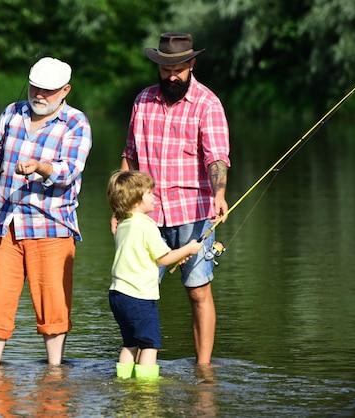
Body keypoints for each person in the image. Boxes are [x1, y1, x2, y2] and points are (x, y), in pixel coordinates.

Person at [117, 32, 231, 365]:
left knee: (198, 291)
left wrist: (219, 194)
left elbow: (217, 158)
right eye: (165, 69)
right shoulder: (143, 101)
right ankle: (134, 363)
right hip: (144, 216)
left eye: (178, 68)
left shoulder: (208, 104)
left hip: (193, 213)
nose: (171, 76)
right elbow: (129, 156)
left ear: (191, 64)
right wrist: (120, 207)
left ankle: (204, 367)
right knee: (135, 290)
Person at [0, 57, 92, 367]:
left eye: (48, 90)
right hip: (5, 221)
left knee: (53, 303)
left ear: (65, 90)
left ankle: (54, 371)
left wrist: (40, 167)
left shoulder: (75, 123)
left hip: (51, 225)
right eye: (35, 87)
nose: (39, 94)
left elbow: (69, 171)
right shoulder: (12, 113)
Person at [107, 170, 202, 380]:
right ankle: (146, 391)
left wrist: (175, 255)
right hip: (139, 297)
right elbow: (163, 259)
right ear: (137, 199)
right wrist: (189, 249)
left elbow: (150, 255)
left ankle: (122, 383)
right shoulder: (146, 225)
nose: (154, 197)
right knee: (150, 344)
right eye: (150, 193)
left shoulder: (123, 224)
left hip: (118, 295)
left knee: (130, 343)